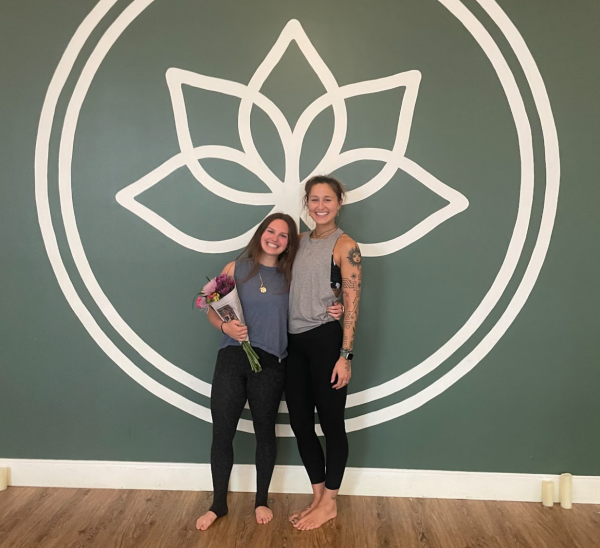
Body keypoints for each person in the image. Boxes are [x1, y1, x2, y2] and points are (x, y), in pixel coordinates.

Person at [195, 212, 342, 530]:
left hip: (272, 364)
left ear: (290, 243)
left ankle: (261, 500)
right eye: (270, 231)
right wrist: (225, 326)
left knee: (265, 432)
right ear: (261, 233)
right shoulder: (235, 269)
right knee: (222, 432)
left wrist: (336, 307)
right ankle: (218, 504)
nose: (275, 238)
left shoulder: (293, 278)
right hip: (232, 359)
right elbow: (210, 309)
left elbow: (312, 307)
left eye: (284, 235)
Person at [286, 175, 362, 531]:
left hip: (326, 342)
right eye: (314, 200)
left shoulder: (345, 245)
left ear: (339, 202)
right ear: (307, 203)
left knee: (331, 424)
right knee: (301, 424)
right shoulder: (298, 241)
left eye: (327, 199)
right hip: (294, 343)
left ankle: (330, 502)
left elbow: (351, 302)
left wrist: (344, 355)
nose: (320, 206)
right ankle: (318, 496)